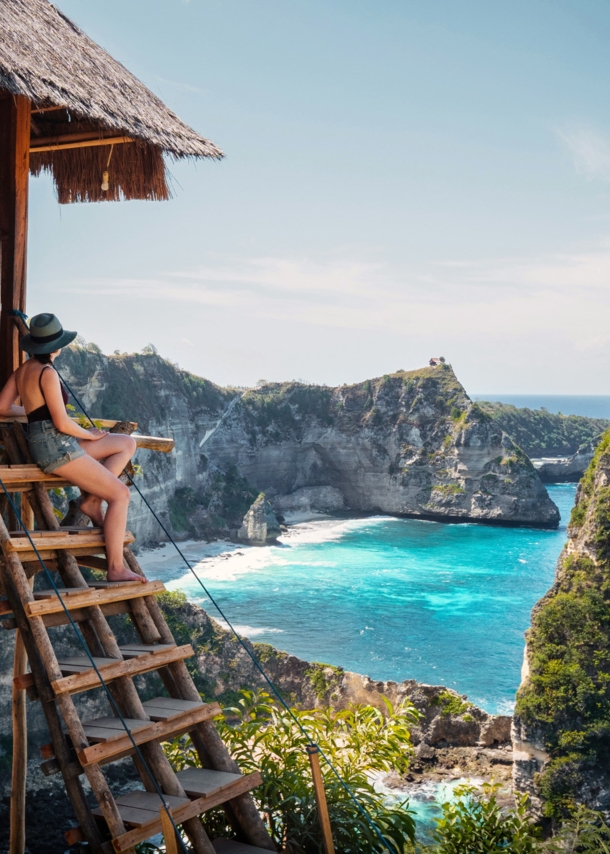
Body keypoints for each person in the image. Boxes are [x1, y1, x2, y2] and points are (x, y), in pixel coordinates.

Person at [0, 313, 144, 583]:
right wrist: (88, 434)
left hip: (50, 441)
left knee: (125, 443)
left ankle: (91, 501)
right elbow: (62, 423)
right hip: (57, 447)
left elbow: (3, 407)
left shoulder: (24, 370)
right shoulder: (47, 373)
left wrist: (34, 414)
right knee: (121, 495)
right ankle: (115, 568)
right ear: (57, 346)